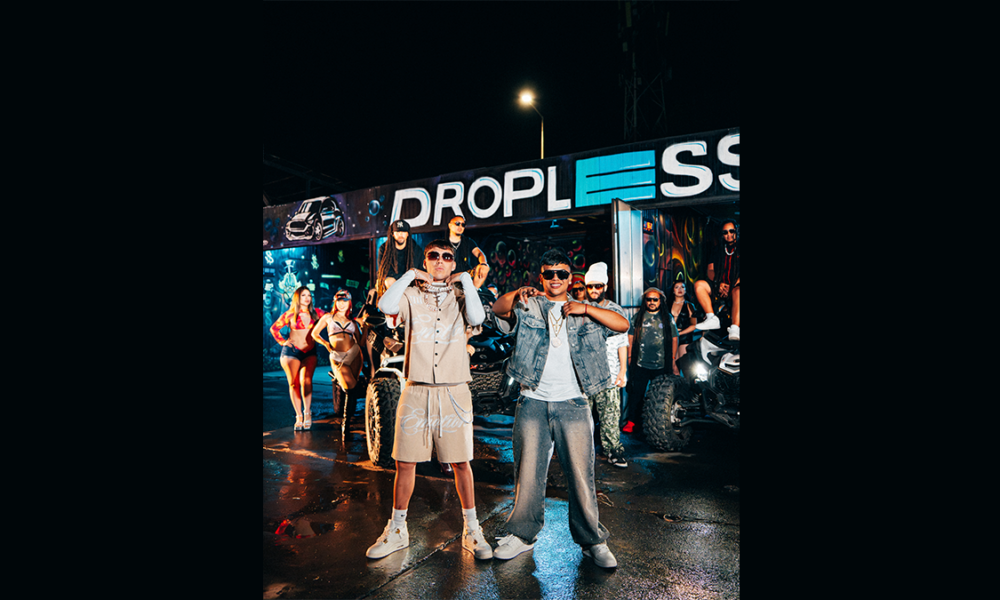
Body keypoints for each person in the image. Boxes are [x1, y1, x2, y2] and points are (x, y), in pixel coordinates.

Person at [490, 249, 629, 569]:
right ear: (541, 277)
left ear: (570, 278)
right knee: (527, 474)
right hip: (533, 400)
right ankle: (522, 535)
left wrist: (586, 307)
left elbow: (622, 325)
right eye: (549, 273)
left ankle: (592, 541)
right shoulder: (528, 304)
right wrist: (517, 292)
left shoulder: (587, 309)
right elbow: (496, 310)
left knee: (581, 477)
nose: (555, 278)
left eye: (561, 273)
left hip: (574, 402)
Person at [366, 240, 492, 560]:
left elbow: (478, 315)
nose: (439, 261)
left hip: (454, 389)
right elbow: (385, 305)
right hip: (416, 388)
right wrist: (410, 275)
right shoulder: (411, 294)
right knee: (404, 461)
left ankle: (472, 529)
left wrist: (466, 280)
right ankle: (397, 530)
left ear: (453, 263)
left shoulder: (462, 295)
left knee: (460, 462)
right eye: (433, 256)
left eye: (446, 257)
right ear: (425, 261)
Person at [583, 263, 629, 468]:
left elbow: (622, 342)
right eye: (590, 286)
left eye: (598, 286)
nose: (594, 290)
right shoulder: (579, 308)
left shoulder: (615, 310)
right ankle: (581, 453)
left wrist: (623, 371)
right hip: (584, 374)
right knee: (581, 418)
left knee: (610, 415)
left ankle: (613, 451)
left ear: (605, 287)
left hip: (609, 373)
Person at [623, 287, 678, 436]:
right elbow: (630, 338)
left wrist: (673, 359)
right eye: (649, 299)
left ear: (660, 301)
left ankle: (661, 423)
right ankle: (632, 422)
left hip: (661, 364)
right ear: (645, 301)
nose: (652, 302)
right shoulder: (638, 317)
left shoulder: (667, 317)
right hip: (641, 363)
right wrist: (629, 357)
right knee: (636, 394)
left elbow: (674, 338)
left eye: (655, 299)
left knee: (661, 396)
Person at [269, 286, 326, 431]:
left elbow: (335, 318)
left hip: (310, 352)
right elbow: (274, 329)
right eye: (303, 295)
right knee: (294, 384)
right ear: (297, 298)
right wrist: (283, 342)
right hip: (291, 352)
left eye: (309, 295)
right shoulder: (290, 314)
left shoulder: (317, 313)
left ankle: (307, 413)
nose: (307, 298)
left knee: (306, 381)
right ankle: (298, 416)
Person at [312, 289, 364, 414]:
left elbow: (361, 343)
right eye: (339, 301)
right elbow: (315, 333)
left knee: (352, 386)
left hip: (354, 354)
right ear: (335, 302)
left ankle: (347, 420)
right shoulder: (328, 317)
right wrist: (326, 344)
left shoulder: (353, 321)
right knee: (349, 386)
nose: (342, 304)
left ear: (349, 303)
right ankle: (346, 418)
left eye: (345, 301)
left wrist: (366, 327)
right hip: (337, 355)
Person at [694, 219, 740, 340]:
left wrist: (732, 285)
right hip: (719, 285)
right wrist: (718, 283)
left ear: (736, 231)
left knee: (738, 291)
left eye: (731, 231)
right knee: (699, 285)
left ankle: (735, 328)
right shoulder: (718, 249)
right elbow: (710, 270)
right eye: (725, 232)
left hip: (736, 287)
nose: (729, 234)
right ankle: (711, 318)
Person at [376, 219, 422, 297]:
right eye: (397, 232)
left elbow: (421, 270)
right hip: (393, 283)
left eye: (403, 231)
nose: (400, 234)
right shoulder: (384, 249)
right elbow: (384, 272)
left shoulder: (416, 250)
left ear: (407, 234)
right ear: (393, 234)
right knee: (389, 281)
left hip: (410, 281)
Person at [447, 215, 489, 288]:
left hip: (466, 274)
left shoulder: (467, 241)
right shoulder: (442, 243)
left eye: (463, 225)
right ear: (450, 225)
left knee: (485, 267)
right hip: (450, 276)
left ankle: (473, 290)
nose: (460, 226)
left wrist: (483, 263)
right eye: (457, 223)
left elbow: (480, 253)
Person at [668, 280, 699, 366]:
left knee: (684, 365)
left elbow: (694, 325)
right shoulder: (667, 305)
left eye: (682, 287)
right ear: (673, 290)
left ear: (685, 290)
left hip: (684, 338)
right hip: (670, 338)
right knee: (672, 365)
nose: (680, 289)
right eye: (677, 287)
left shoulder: (689, 305)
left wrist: (679, 333)